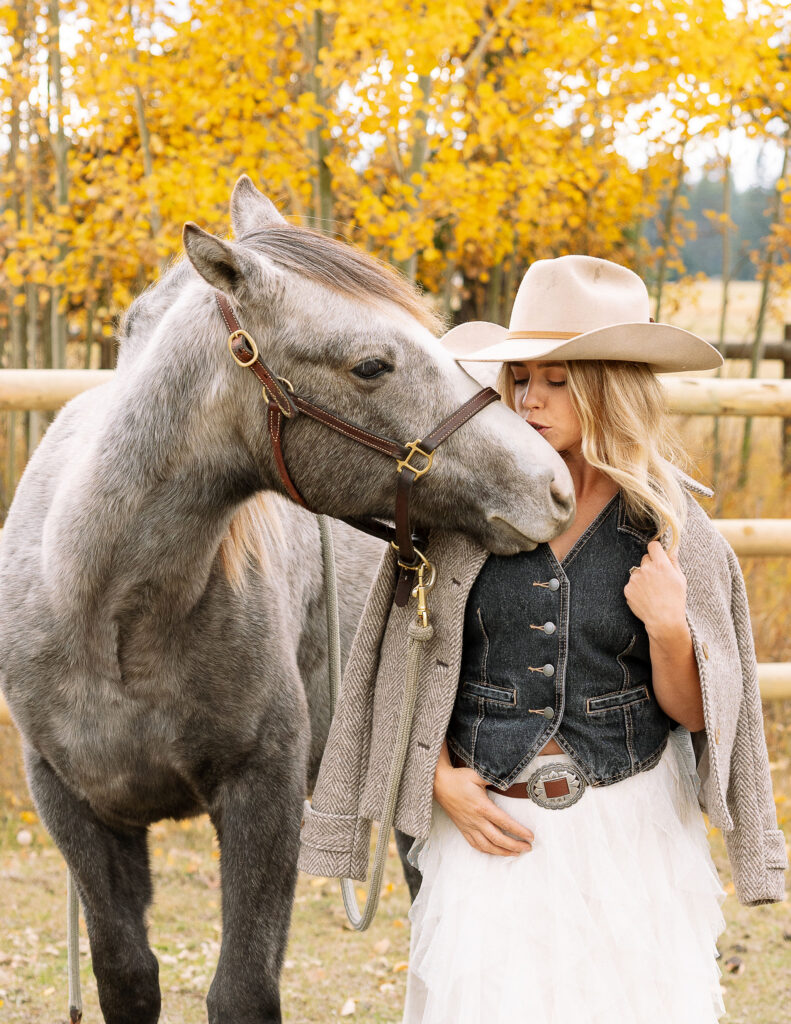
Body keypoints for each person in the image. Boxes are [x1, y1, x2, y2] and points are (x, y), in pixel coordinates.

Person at [298, 256, 788, 1024]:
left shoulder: (671, 532)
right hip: (491, 826)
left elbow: (696, 715)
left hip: (629, 827)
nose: (528, 400)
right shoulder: (462, 524)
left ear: (608, 386)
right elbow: (404, 670)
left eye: (557, 381)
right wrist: (436, 778)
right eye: (519, 378)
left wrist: (666, 625)